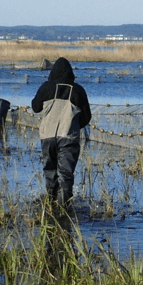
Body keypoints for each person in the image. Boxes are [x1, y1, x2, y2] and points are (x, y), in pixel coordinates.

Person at [30, 57, 91, 204]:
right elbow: (86, 116)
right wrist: (74, 126)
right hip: (69, 136)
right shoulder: (78, 89)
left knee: (50, 170)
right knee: (66, 173)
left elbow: (35, 107)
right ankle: (65, 207)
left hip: (47, 136)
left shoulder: (46, 87)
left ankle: (50, 202)